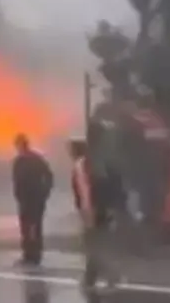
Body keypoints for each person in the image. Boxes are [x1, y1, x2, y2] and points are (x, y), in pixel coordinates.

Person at [71, 126, 125, 293]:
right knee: (96, 243)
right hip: (100, 208)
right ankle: (92, 277)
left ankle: (109, 274)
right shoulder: (105, 158)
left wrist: (88, 209)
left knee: (93, 243)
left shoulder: (90, 161)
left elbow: (91, 187)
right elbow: (116, 184)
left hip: (95, 208)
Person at [12, 133, 54, 267]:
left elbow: (48, 176)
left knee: (32, 226)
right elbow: (17, 181)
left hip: (33, 198)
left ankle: (33, 255)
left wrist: (44, 192)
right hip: (28, 198)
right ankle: (31, 254)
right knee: (30, 226)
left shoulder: (29, 160)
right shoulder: (23, 160)